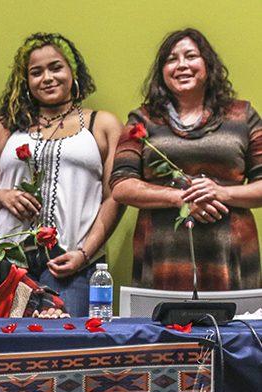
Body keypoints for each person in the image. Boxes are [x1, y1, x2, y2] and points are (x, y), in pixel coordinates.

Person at [0, 33, 122, 316]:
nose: (47, 78)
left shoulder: (101, 124)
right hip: (9, 265)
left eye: (56, 67)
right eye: (36, 72)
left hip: (71, 264)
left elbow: (114, 197)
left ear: (72, 71)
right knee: (6, 349)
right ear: (26, 81)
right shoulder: (4, 127)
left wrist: (84, 254)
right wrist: (2, 196)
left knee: (66, 350)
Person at [111, 28, 262, 290]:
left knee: (235, 329)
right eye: (171, 59)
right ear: (162, 71)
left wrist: (220, 193)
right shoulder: (142, 119)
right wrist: (181, 199)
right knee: (161, 330)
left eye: (191, 56)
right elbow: (121, 186)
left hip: (230, 257)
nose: (181, 65)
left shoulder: (243, 115)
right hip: (162, 260)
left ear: (208, 64)